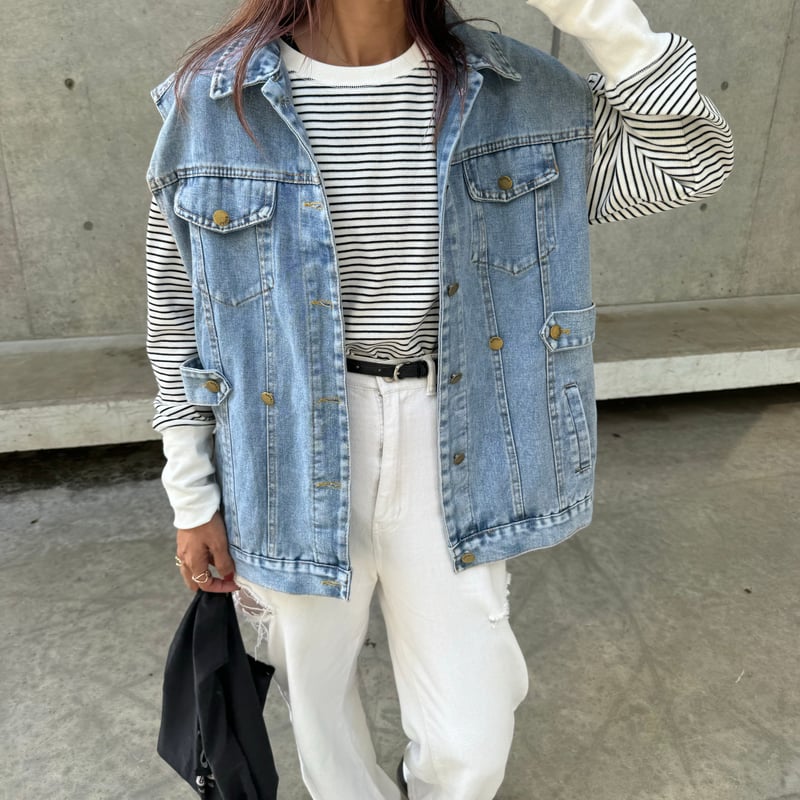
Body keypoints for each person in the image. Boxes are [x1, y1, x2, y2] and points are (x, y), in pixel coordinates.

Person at [145, 0, 733, 795]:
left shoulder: (517, 92)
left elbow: (689, 163)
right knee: (318, 701)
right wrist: (192, 498)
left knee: (470, 738)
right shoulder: (213, 105)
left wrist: (596, 13)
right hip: (282, 447)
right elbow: (176, 321)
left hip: (457, 430)